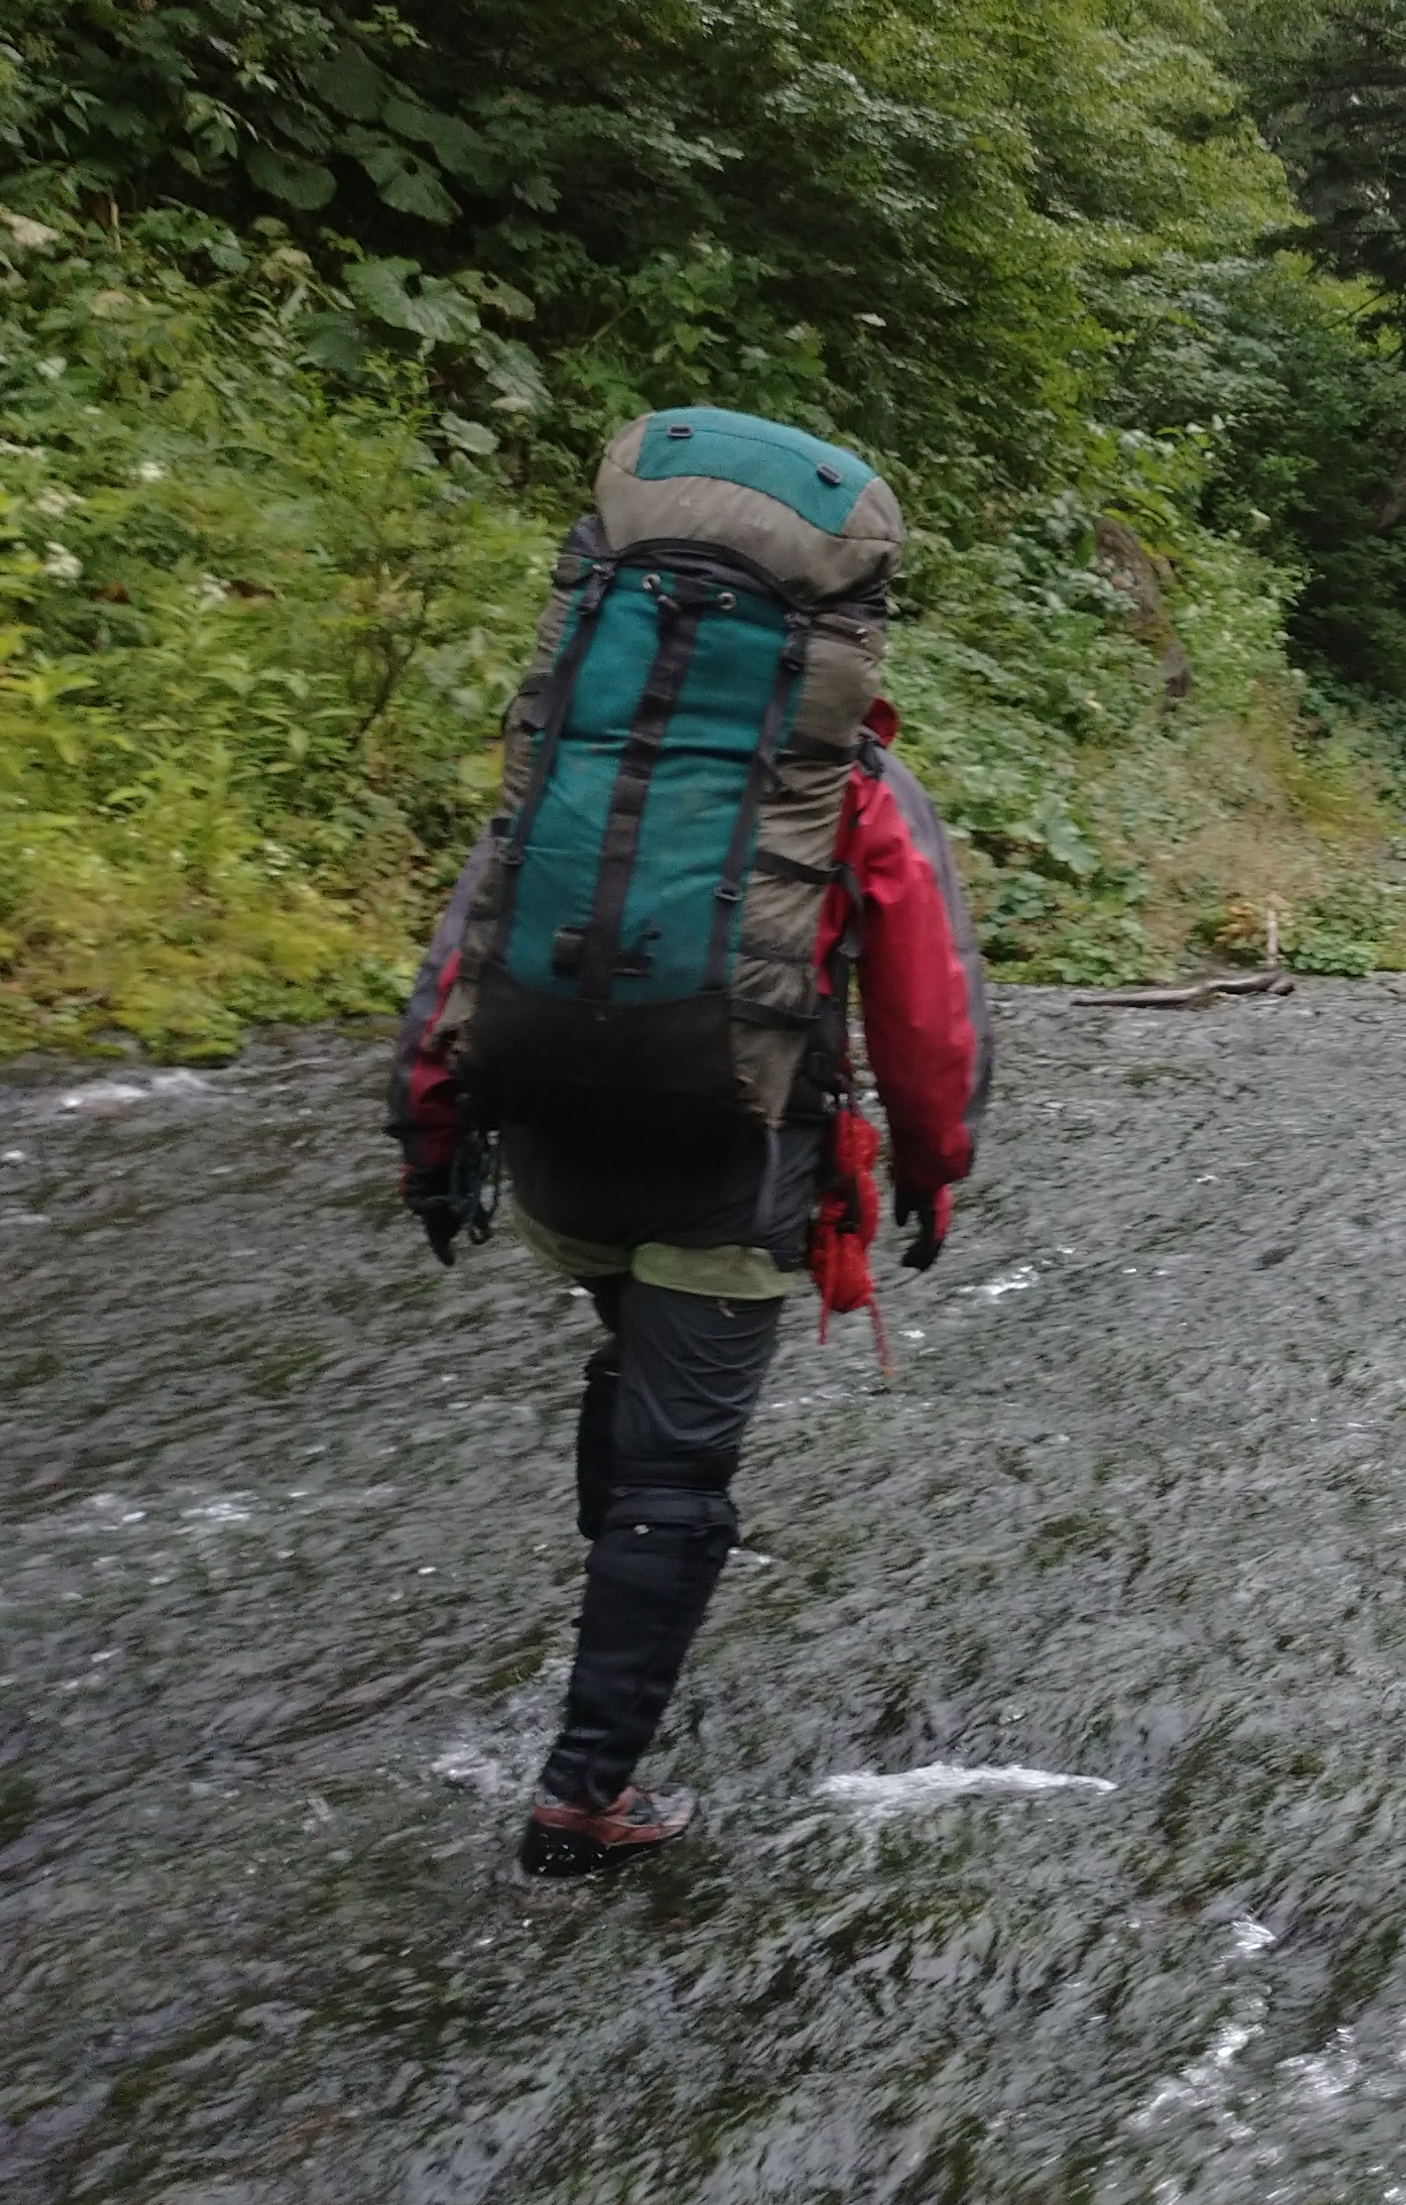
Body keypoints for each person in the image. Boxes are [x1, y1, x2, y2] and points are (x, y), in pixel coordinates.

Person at [388, 408, 990, 1878]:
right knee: (684, 1472)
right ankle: (586, 1797)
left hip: (556, 1161)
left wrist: (429, 1140)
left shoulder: (573, 772)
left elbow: (460, 961)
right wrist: (935, 1171)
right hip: (733, 1169)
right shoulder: (845, 794)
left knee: (632, 1365)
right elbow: (928, 1023)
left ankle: (624, 1567)